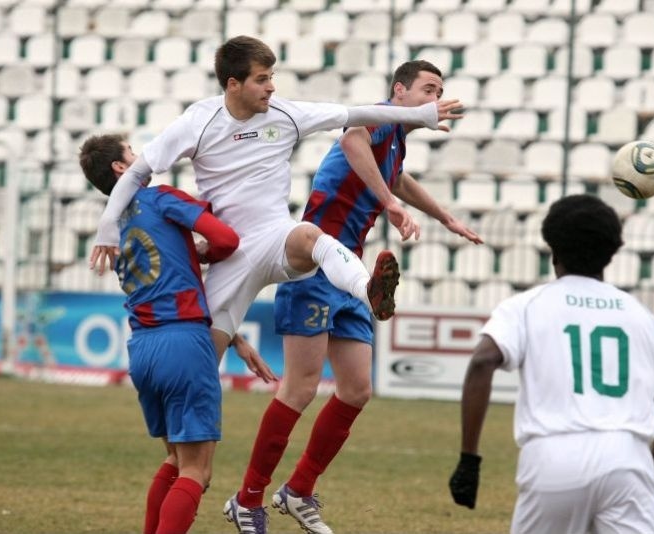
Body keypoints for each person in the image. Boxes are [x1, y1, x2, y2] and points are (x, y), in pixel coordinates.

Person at [89, 35, 465, 368]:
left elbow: (356, 113)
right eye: (262, 79)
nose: (271, 87)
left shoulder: (285, 114)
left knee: (311, 238)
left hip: (274, 237)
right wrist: (107, 228)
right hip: (229, 253)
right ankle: (177, 450)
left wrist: (418, 114)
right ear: (233, 84)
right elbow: (138, 173)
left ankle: (368, 290)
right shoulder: (198, 121)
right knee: (199, 372)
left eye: (272, 77)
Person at [226, 60, 483, 534]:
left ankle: (299, 490)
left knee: (356, 389)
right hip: (315, 264)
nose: (435, 98)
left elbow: (399, 177)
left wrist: (445, 217)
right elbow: (351, 138)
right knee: (300, 388)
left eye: (441, 91)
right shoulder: (377, 116)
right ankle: (247, 499)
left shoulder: (396, 137)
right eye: (428, 89)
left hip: (353, 273)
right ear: (398, 92)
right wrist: (389, 204)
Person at [449, 194, 654, 534]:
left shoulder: (526, 306)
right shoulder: (643, 318)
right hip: (627, 455)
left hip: (551, 458)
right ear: (613, 251)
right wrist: (633, 470)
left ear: (553, 249)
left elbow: (482, 362)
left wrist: (469, 459)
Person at [79, 134, 275, 534]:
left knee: (176, 461)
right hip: (183, 344)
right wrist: (205, 252)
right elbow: (227, 240)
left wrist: (234, 337)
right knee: (197, 471)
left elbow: (171, 273)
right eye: (132, 153)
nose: (141, 156)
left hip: (143, 348)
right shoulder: (160, 198)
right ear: (121, 168)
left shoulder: (114, 226)